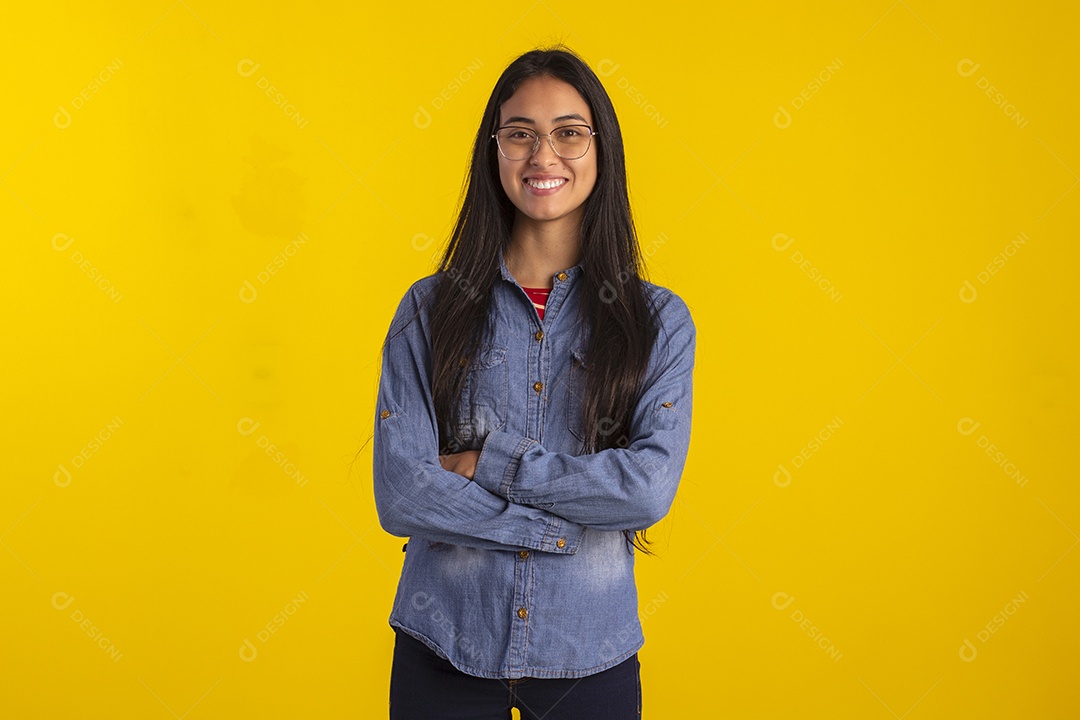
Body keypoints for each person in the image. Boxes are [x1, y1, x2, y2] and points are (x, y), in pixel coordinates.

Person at [372, 45, 696, 720]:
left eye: (568, 133)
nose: (543, 156)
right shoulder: (428, 309)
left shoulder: (658, 321)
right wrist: (551, 529)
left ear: (602, 150)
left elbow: (645, 488)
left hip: (590, 650)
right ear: (494, 150)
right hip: (443, 644)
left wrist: (486, 463)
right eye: (520, 134)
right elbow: (402, 492)